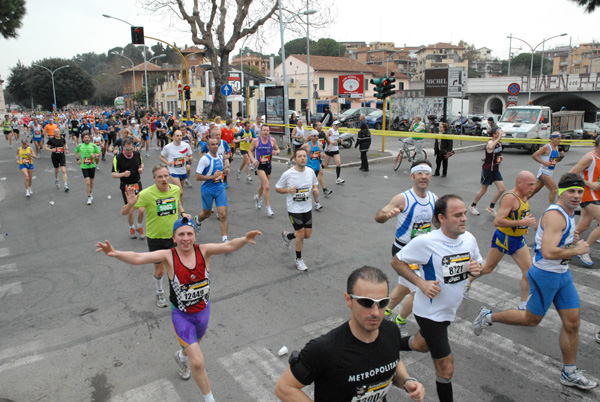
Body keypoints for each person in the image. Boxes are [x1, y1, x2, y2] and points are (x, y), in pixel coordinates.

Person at [96, 217, 262, 402]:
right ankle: (209, 399)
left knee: (194, 345)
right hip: (182, 316)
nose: (185, 238)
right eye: (181, 234)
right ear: (174, 238)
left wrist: (245, 239)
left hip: (203, 312)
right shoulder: (168, 256)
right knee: (197, 361)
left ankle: (181, 356)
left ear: (195, 236)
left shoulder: (204, 250)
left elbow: (230, 246)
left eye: (189, 234)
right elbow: (138, 258)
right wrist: (115, 253)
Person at [473, 173, 598, 390]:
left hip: (563, 275)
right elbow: (548, 252)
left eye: (580, 191)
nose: (577, 195)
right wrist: (576, 249)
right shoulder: (557, 215)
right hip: (546, 275)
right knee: (531, 320)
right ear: (561, 192)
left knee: (572, 322)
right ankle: (488, 316)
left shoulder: (569, 213)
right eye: (571, 191)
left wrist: (570, 241)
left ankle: (569, 372)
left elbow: (555, 243)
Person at [274, 265, 425, 402]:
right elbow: (285, 388)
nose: (375, 312)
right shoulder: (325, 349)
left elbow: (392, 361)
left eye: (382, 303)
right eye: (366, 302)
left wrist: (406, 381)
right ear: (348, 300)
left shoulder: (391, 331)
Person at [392, 194, 482, 402]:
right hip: (430, 313)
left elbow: (478, 263)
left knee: (422, 345)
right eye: (457, 215)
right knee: (446, 368)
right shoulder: (426, 242)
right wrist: (421, 283)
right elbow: (397, 262)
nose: (464, 219)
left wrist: (477, 269)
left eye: (464, 214)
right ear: (441, 218)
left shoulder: (469, 239)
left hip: (449, 311)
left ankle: (386, 343)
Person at [375, 161, 437, 333]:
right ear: (412, 176)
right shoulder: (403, 198)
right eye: (419, 173)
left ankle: (384, 312)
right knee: (420, 290)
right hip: (404, 252)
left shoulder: (434, 198)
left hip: (423, 253)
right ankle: (399, 321)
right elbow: (378, 216)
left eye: (427, 173)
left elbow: (438, 224)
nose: (423, 176)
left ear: (430, 176)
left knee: (404, 287)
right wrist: (387, 215)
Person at [463, 171, 537, 310]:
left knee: (529, 272)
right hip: (504, 238)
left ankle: (523, 304)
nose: (533, 187)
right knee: (488, 268)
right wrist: (521, 222)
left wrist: (523, 225)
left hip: (517, 239)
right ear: (519, 183)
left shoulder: (525, 196)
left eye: (534, 184)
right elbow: (498, 221)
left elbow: (518, 215)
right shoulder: (510, 198)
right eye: (530, 184)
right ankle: (467, 281)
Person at [121, 164, 189, 308]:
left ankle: (176, 295)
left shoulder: (175, 189)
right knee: (160, 269)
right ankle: (159, 291)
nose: (164, 179)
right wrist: (130, 204)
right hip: (156, 238)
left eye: (166, 176)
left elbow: (177, 203)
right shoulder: (146, 194)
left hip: (173, 237)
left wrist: (182, 213)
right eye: (160, 177)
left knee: (175, 268)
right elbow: (124, 212)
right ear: (154, 179)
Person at [276, 148, 319, 271]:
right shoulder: (288, 174)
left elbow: (315, 184)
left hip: (307, 207)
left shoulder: (310, 172)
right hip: (294, 208)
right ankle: (298, 259)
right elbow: (277, 188)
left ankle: (288, 236)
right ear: (295, 159)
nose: (303, 158)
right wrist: (288, 190)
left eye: (304, 156)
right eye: (300, 156)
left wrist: (316, 190)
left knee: (307, 234)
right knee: (300, 233)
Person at [568, 136, 600, 266]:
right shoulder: (589, 157)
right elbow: (572, 173)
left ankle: (562, 242)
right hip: (588, 195)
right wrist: (589, 184)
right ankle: (584, 248)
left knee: (584, 225)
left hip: (597, 196)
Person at [194, 137, 230, 243]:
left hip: (219, 188)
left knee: (223, 214)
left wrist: (225, 172)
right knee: (207, 214)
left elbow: (220, 173)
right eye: (213, 144)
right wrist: (212, 176)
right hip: (207, 189)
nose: (215, 146)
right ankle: (197, 220)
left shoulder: (219, 157)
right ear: (208, 147)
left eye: (216, 144)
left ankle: (225, 240)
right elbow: (197, 177)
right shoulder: (205, 159)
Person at [112, 138, 145, 240]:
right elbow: (113, 174)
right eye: (127, 149)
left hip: (137, 185)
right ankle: (131, 228)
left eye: (131, 149)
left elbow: (141, 163)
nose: (130, 151)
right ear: (123, 148)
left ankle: (139, 226)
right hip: (126, 186)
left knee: (142, 209)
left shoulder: (136, 154)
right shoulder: (118, 158)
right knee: (130, 211)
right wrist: (123, 174)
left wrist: (141, 169)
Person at [469, 127, 506, 217]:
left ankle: (491, 206)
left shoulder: (499, 143)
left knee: (502, 189)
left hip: (495, 169)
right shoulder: (490, 141)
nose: (500, 134)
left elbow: (497, 154)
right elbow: (490, 148)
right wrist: (498, 138)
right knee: (483, 190)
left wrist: (500, 158)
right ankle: (472, 205)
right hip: (488, 170)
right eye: (498, 133)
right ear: (494, 134)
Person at [249, 124, 280, 217]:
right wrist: (253, 160)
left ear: (269, 132)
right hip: (259, 166)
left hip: (268, 165)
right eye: (264, 130)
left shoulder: (272, 140)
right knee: (266, 186)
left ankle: (258, 197)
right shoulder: (256, 141)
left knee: (263, 185)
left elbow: (278, 149)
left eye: (267, 130)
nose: (266, 132)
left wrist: (276, 152)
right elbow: (250, 151)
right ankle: (268, 207)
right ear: (261, 131)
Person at [530, 132, 564, 204]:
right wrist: (544, 163)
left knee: (535, 190)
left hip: (550, 171)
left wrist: (561, 157)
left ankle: (521, 202)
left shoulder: (557, 148)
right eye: (558, 139)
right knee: (554, 190)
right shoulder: (546, 147)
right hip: (544, 172)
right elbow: (534, 155)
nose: (559, 140)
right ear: (552, 139)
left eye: (560, 139)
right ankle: (551, 209)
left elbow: (556, 160)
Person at [159, 130, 194, 200]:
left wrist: (188, 159)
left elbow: (191, 157)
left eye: (181, 136)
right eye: (177, 136)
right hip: (173, 171)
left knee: (179, 194)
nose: (179, 137)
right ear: (173, 137)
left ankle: (178, 208)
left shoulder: (186, 145)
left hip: (182, 171)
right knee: (180, 192)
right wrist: (167, 162)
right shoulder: (168, 147)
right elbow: (160, 157)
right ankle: (181, 210)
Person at [75, 132, 102, 205]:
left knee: (91, 181)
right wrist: (77, 159)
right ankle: (89, 196)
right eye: (85, 138)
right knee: (87, 182)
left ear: (90, 139)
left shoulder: (93, 146)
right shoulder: (80, 146)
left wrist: (95, 155)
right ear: (83, 139)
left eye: (88, 137)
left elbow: (99, 153)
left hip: (92, 166)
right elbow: (76, 152)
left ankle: (90, 191)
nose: (86, 139)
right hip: (84, 166)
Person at [301, 130, 324, 210]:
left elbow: (321, 154)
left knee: (315, 187)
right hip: (308, 169)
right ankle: (304, 201)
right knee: (307, 186)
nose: (316, 137)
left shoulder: (320, 145)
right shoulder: (306, 145)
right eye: (314, 136)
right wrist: (292, 160)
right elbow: (298, 153)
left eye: (317, 136)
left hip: (316, 168)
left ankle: (316, 203)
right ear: (310, 136)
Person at [44, 128, 69, 192]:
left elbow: (65, 143)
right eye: (56, 132)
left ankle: (65, 185)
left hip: (62, 156)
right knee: (57, 170)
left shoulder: (62, 139)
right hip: (55, 156)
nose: (57, 133)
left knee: (63, 170)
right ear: (54, 133)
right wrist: (51, 150)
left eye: (58, 132)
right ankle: (57, 179)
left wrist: (66, 149)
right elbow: (45, 147)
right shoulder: (51, 140)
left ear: (60, 132)